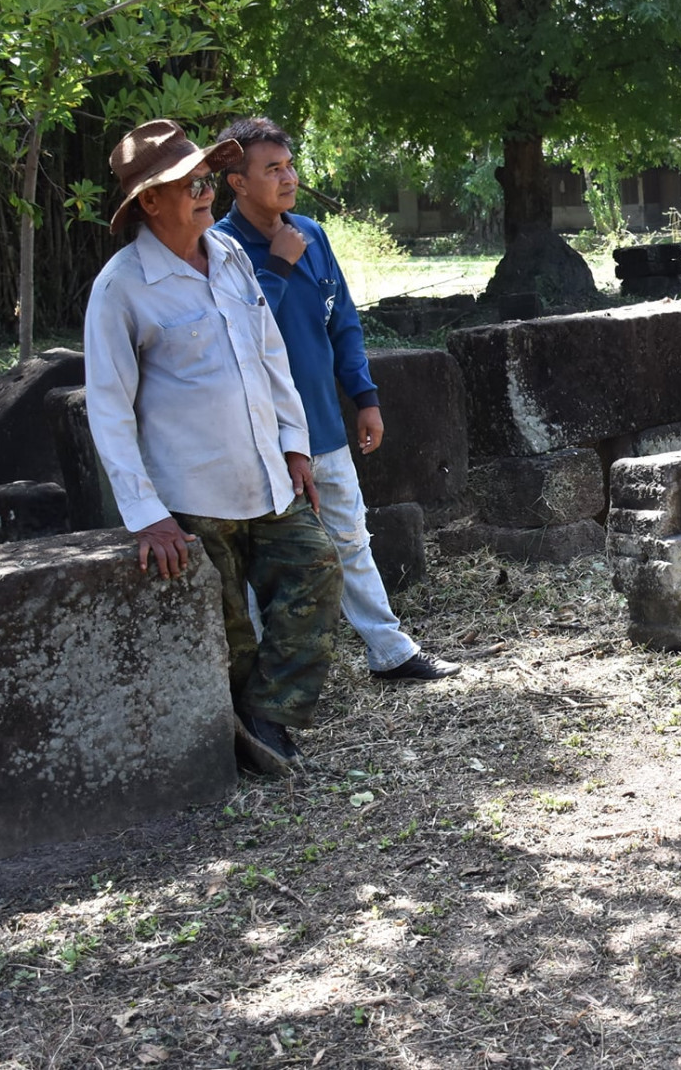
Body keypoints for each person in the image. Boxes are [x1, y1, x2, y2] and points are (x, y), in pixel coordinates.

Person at [84, 118, 345, 776]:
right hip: (193, 492)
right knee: (228, 629)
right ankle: (252, 739)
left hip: (266, 472)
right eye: (190, 183)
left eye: (206, 179)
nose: (205, 192)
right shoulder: (121, 288)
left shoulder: (228, 256)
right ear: (149, 201)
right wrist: (146, 514)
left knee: (316, 572)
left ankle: (266, 717)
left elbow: (268, 353)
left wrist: (293, 448)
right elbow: (110, 408)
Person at [212, 117, 460, 684]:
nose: (287, 177)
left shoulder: (313, 236)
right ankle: (259, 678)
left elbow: (342, 322)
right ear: (237, 182)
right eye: (270, 169)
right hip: (259, 434)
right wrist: (276, 264)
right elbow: (240, 340)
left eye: (289, 165)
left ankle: (390, 651)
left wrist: (365, 397)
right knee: (262, 559)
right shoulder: (220, 249)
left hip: (322, 423)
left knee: (351, 534)